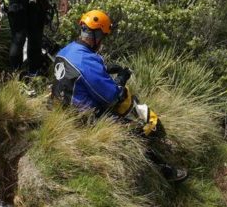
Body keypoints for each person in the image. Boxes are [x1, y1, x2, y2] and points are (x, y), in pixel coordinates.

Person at [51, 10, 185, 181]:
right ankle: (164, 171)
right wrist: (121, 79)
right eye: (103, 36)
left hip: (61, 109)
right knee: (135, 130)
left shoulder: (66, 50)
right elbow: (113, 98)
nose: (102, 41)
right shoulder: (86, 60)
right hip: (83, 119)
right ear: (96, 35)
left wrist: (104, 69)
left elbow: (78, 75)